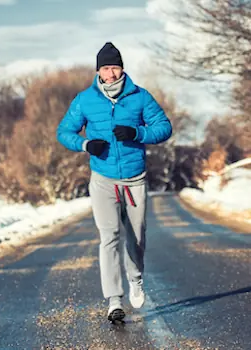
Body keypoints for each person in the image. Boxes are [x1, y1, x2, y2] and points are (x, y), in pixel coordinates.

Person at [56, 42, 173, 322]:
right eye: (105, 68)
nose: (110, 73)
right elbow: (64, 131)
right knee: (109, 236)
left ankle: (135, 278)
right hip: (103, 179)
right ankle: (114, 299)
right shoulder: (85, 100)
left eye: (115, 67)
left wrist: (137, 132)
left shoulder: (140, 97)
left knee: (136, 236)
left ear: (122, 68)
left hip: (134, 180)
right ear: (99, 70)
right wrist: (85, 144)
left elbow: (164, 127)